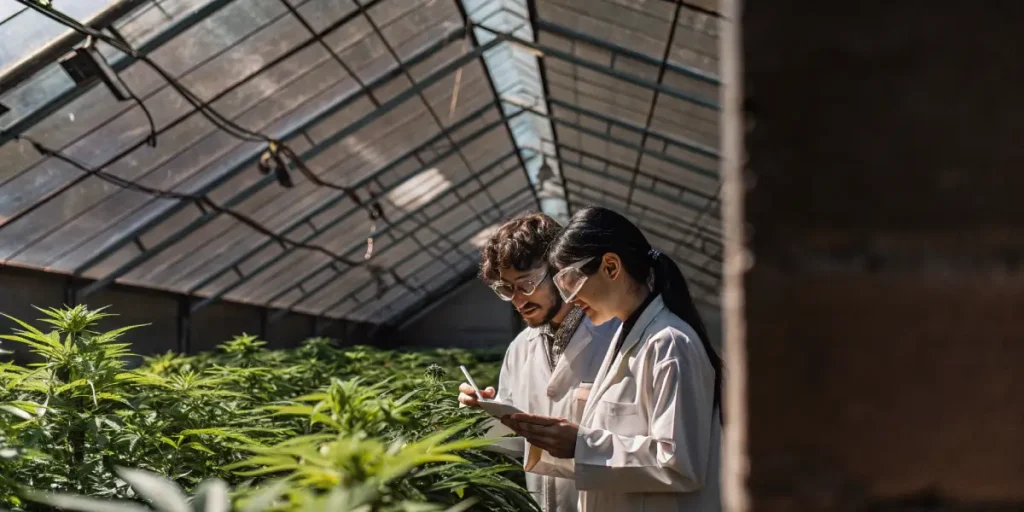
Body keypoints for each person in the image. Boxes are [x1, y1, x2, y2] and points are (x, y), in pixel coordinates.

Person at [500, 206, 723, 512]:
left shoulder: (670, 344)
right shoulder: (627, 337)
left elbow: (679, 465)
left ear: (611, 266)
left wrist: (581, 444)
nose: (569, 297)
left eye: (569, 279)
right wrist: (559, 441)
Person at [457, 212, 619, 512]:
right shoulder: (520, 348)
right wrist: (484, 414)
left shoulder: (615, 337)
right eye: (507, 289)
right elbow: (517, 444)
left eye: (527, 284)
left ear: (560, 270)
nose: (519, 300)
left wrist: (582, 445)